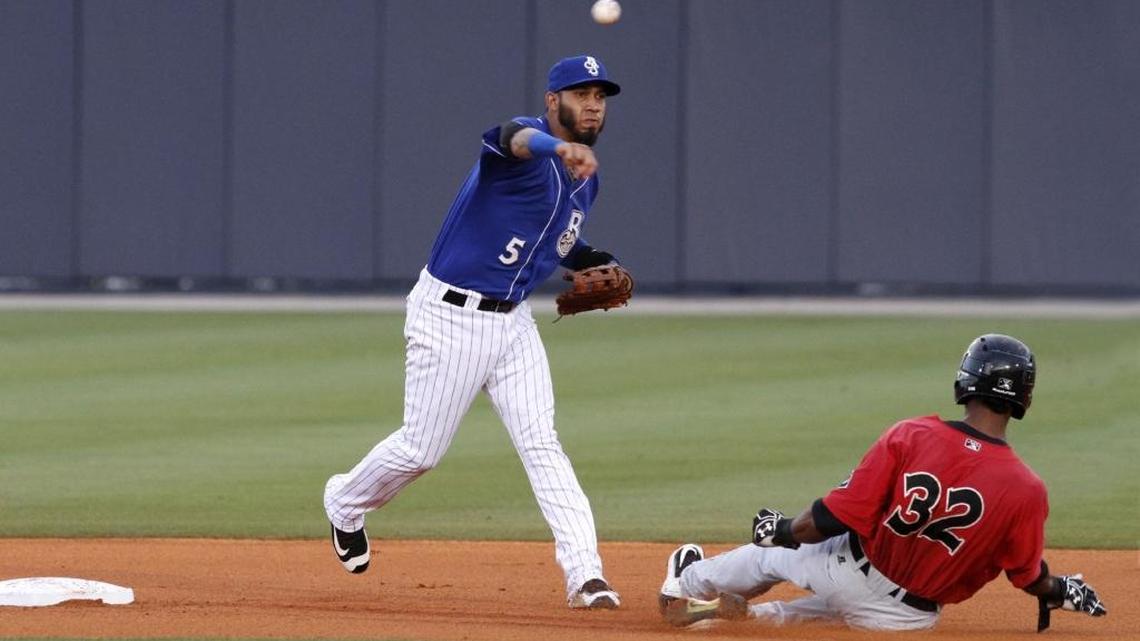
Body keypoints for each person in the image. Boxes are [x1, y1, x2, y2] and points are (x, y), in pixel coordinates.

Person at [323, 54, 626, 610]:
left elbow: (554, 241)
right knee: (421, 451)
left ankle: (586, 576)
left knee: (543, 445)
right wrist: (557, 146)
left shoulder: (586, 180)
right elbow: (508, 137)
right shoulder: (526, 146)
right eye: (580, 93)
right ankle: (344, 500)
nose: (591, 104)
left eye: (600, 96)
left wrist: (590, 259)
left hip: (512, 322)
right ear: (552, 101)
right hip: (450, 315)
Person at [659, 334, 1108, 631]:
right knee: (806, 620)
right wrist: (1059, 589)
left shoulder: (914, 434)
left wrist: (780, 530)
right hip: (903, 619)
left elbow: (834, 517)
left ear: (966, 380)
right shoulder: (1028, 490)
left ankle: (688, 585)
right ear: (1024, 397)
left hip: (846, 567)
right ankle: (740, 621)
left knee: (771, 556)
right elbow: (1027, 576)